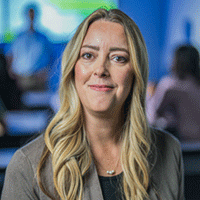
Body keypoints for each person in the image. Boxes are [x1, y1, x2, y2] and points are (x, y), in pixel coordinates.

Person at [1, 9, 184, 199]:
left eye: (118, 58)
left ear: (136, 73)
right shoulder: (27, 167)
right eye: (88, 55)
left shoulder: (169, 151)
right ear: (73, 69)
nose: (100, 70)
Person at [147, 45, 200, 141]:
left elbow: (151, 117)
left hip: (183, 145)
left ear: (175, 61)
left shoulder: (170, 86)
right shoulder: (196, 85)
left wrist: (149, 95)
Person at [5, 3, 52, 92]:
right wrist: (10, 71)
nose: (31, 17)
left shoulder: (43, 38)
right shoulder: (17, 37)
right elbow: (9, 55)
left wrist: (47, 73)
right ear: (25, 15)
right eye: (29, 14)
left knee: (40, 104)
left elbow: (51, 58)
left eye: (33, 14)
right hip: (20, 79)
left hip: (38, 79)